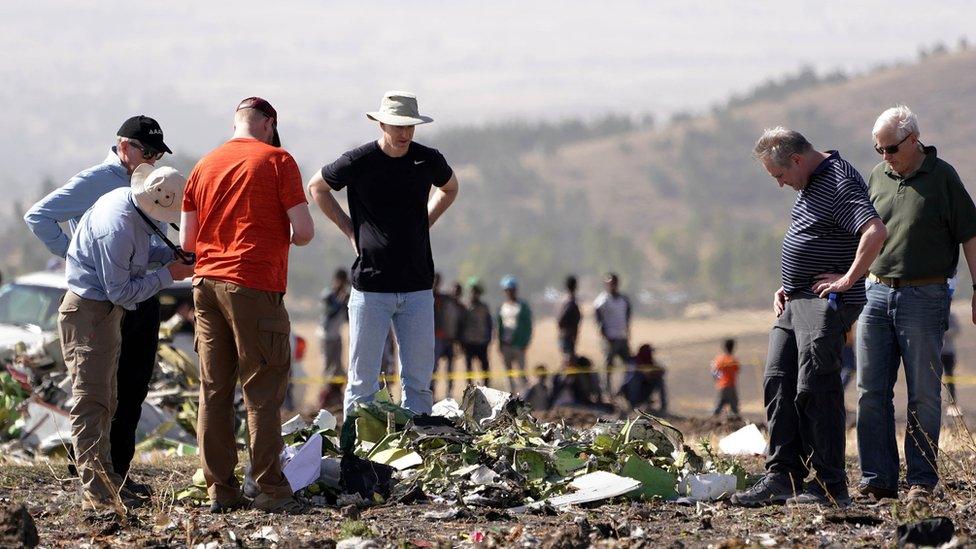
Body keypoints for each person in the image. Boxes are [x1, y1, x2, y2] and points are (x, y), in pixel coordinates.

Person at [731, 127, 886, 508]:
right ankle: (782, 474)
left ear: (797, 160)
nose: (781, 184)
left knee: (815, 386)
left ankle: (831, 484)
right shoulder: (808, 185)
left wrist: (849, 278)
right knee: (778, 380)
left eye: (780, 175)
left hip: (822, 303)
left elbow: (874, 231)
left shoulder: (837, 179)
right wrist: (789, 281)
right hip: (794, 300)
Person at [24, 115, 174, 495]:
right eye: (148, 152)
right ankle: (94, 477)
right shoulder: (95, 182)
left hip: (138, 293)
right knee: (99, 391)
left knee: (132, 385)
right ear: (124, 147)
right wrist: (76, 256)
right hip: (104, 297)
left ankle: (117, 472)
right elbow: (38, 216)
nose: (152, 160)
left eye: (157, 154)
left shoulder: (149, 186)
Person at [181, 97, 314, 514]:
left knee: (215, 390)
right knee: (262, 389)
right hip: (253, 284)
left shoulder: (203, 166)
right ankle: (270, 489)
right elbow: (305, 231)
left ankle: (220, 489)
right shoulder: (278, 160)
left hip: (205, 285)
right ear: (269, 124)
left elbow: (187, 243)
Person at [308, 91, 459, 417]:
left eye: (410, 126)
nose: (404, 133)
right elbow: (317, 187)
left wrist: (426, 220)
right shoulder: (358, 161)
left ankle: (416, 446)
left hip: (418, 286)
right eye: (397, 126)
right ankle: (357, 450)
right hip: (370, 287)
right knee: (363, 381)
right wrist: (350, 229)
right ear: (381, 123)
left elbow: (450, 188)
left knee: (418, 381)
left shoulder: (427, 159)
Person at [857, 106, 976, 503]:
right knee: (871, 391)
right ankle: (877, 479)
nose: (884, 157)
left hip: (924, 296)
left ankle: (921, 481)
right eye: (878, 149)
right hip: (876, 293)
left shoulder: (943, 178)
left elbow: (970, 234)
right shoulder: (877, 177)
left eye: (891, 148)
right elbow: (861, 233)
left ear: (913, 140)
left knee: (924, 392)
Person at [58, 164, 193, 509]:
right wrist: (169, 275)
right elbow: (121, 291)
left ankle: (107, 480)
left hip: (102, 312)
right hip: (90, 312)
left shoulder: (128, 206)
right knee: (92, 401)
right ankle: (96, 493)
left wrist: (170, 255)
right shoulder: (115, 227)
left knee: (109, 399)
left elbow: (139, 257)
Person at [593, 272, 632, 393]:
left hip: (622, 337)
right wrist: (604, 334)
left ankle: (625, 390)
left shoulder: (623, 299)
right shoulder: (602, 300)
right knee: (608, 367)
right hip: (609, 339)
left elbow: (627, 315)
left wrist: (627, 331)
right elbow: (598, 318)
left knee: (629, 365)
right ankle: (607, 392)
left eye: (614, 283)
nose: (612, 286)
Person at [318, 269, 350, 409]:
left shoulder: (344, 297)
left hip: (336, 335)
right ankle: (323, 394)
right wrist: (340, 301)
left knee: (338, 366)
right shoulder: (328, 295)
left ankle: (336, 395)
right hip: (325, 335)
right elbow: (329, 312)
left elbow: (347, 317)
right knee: (327, 364)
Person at [498, 275, 533, 392]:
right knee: (508, 375)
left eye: (512, 290)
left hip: (518, 345)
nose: (510, 292)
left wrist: (525, 343)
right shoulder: (503, 307)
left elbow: (528, 326)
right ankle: (510, 399)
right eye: (507, 290)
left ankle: (525, 397)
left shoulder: (522, 306)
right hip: (506, 345)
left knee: (521, 374)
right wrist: (500, 344)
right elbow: (499, 326)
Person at [433, 273, 464, 397]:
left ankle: (449, 394)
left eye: (438, 280)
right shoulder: (428, 297)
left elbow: (457, 301)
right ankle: (432, 393)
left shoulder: (444, 298)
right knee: (433, 367)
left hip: (448, 338)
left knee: (450, 368)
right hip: (435, 338)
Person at [459, 280, 492, 385]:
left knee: (485, 367)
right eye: (473, 291)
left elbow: (489, 323)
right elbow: (461, 324)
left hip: (482, 341)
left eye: (476, 291)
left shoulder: (484, 307)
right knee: (469, 368)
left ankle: (486, 387)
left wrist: (488, 338)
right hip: (469, 341)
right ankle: (470, 389)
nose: (474, 294)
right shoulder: (465, 306)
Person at [620, 343, 667, 414]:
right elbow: (628, 379)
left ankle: (663, 407)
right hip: (630, 392)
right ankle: (633, 406)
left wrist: (655, 373)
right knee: (636, 378)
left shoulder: (649, 361)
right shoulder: (633, 362)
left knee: (659, 380)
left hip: (644, 390)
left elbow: (661, 370)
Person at [711, 339, 741, 417]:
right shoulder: (734, 360)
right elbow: (737, 370)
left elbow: (714, 372)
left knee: (720, 403)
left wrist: (718, 380)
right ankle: (736, 421)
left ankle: (713, 418)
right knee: (734, 405)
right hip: (730, 385)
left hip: (722, 385)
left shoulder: (719, 360)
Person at [556, 275, 582, 361]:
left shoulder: (564, 299)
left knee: (568, 359)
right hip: (568, 336)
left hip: (567, 335)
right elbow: (561, 319)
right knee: (569, 360)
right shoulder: (570, 301)